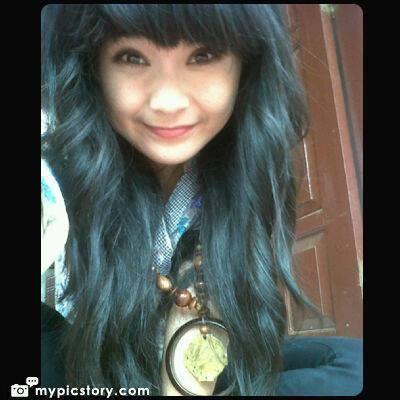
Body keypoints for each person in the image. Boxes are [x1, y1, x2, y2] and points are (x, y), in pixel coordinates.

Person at [41, 4, 362, 396]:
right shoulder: (55, 178)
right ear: (92, 65)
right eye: (131, 57)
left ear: (246, 64)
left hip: (191, 353)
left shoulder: (241, 164)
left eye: (203, 55)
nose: (167, 101)